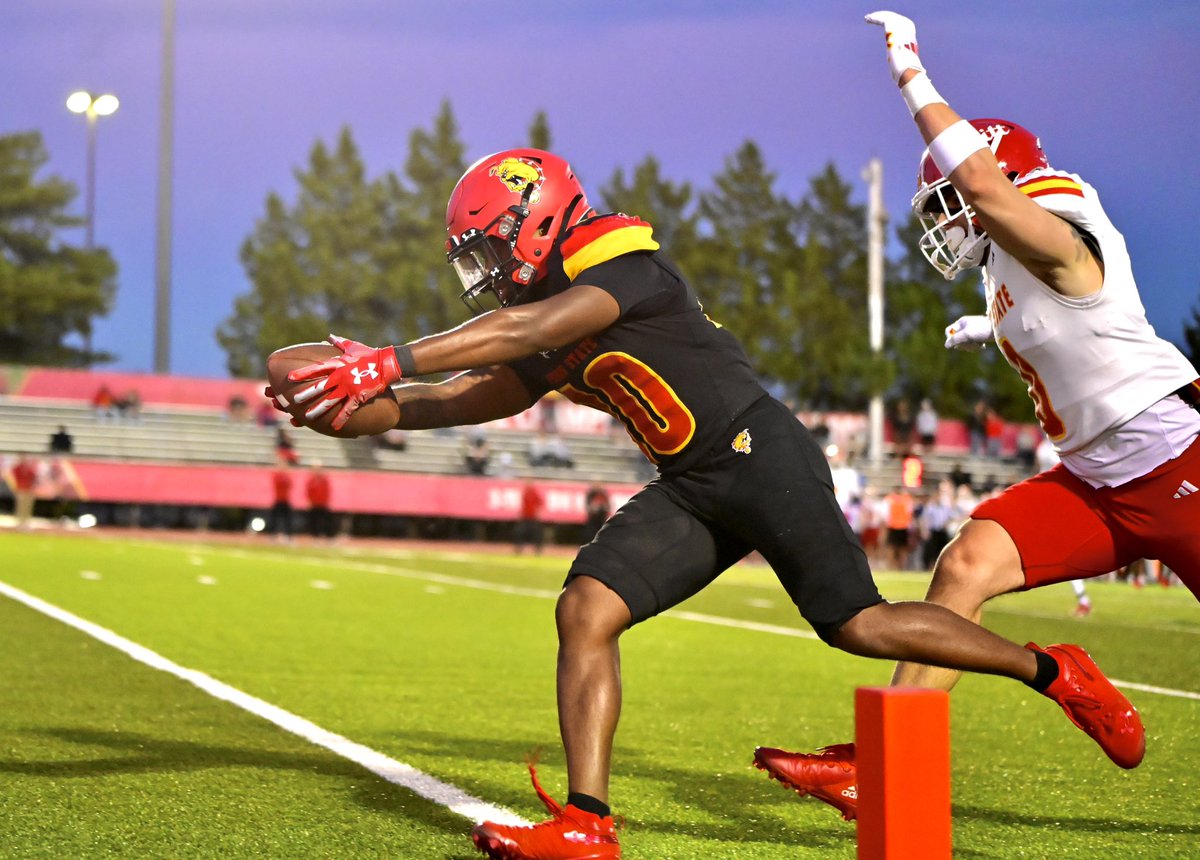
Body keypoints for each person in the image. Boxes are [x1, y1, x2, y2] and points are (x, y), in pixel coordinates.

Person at [271, 147, 1141, 859]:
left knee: (857, 624)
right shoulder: (541, 316)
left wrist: (387, 359)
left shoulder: (617, 260)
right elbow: (458, 397)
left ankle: (1055, 671)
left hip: (759, 453)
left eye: (496, 245)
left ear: (538, 217)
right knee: (586, 608)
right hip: (692, 483)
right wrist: (342, 410)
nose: (491, 268)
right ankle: (587, 825)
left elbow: (531, 332)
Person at [759, 10, 1199, 822]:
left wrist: (910, 74)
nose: (948, 214)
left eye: (953, 195)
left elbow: (1000, 200)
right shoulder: (1006, 262)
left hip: (1181, 472)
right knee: (963, 567)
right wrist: (984, 327)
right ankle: (879, 768)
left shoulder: (1059, 227)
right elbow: (1053, 316)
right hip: (1095, 482)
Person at [513, 478, 545, 555]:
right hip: (525, 516)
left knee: (535, 533)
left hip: (532, 517)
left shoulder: (534, 493)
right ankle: (519, 547)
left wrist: (537, 512)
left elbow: (540, 502)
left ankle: (537, 548)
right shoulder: (525, 493)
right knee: (520, 532)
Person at [305, 462, 335, 540]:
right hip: (314, 503)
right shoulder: (311, 480)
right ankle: (314, 535)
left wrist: (326, 501)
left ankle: (328, 536)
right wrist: (309, 501)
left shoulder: (324, 480)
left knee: (326, 520)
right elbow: (309, 492)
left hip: (323, 503)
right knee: (313, 520)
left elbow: (327, 491)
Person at [267, 459, 293, 541]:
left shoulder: (287, 476)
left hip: (285, 500)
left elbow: (289, 485)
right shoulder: (277, 475)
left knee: (287, 519)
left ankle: (287, 535)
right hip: (278, 500)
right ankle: (273, 535)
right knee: (274, 518)